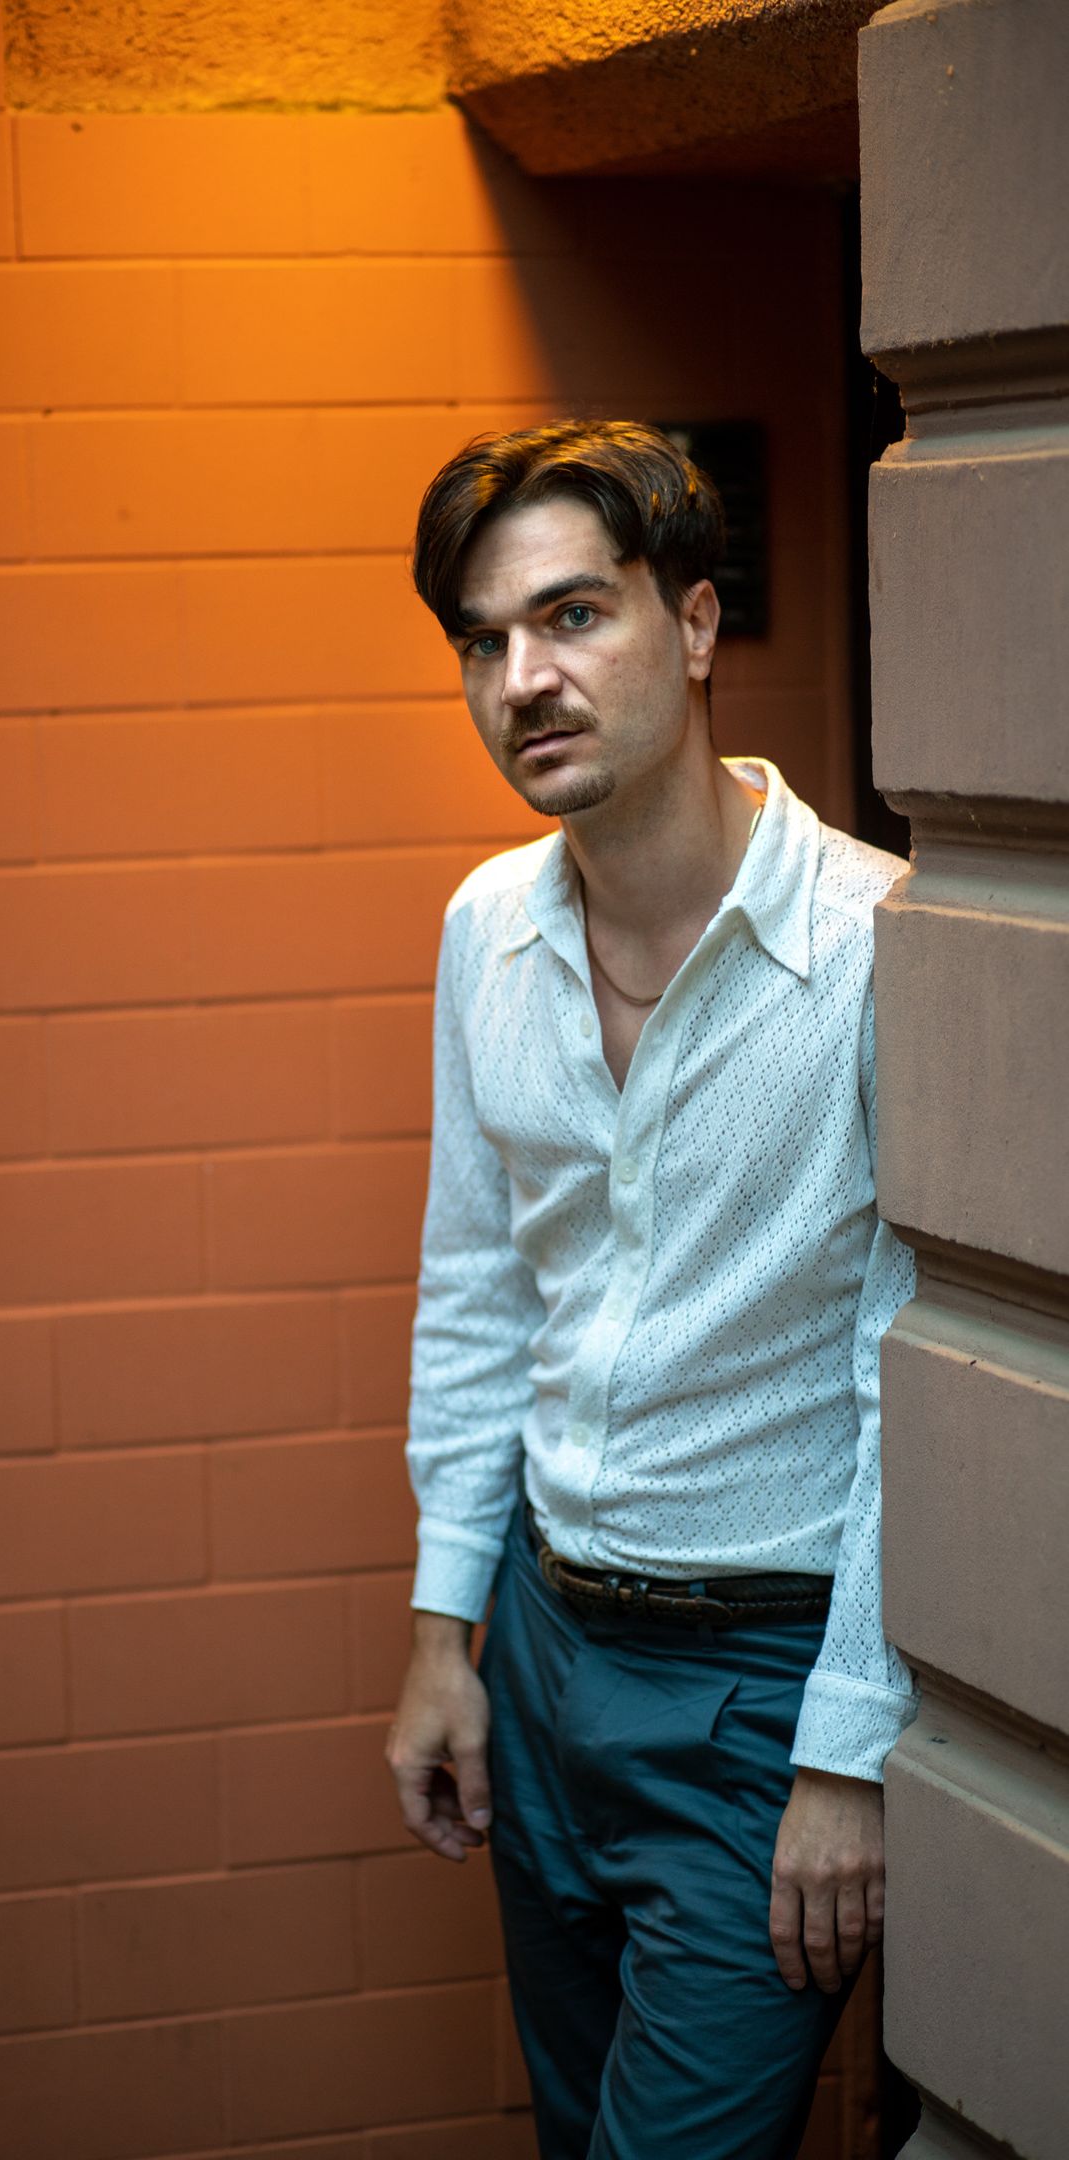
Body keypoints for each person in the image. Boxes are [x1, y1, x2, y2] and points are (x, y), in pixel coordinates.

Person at [385, 418, 917, 2160]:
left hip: (763, 1685)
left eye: (572, 615)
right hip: (541, 1653)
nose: (524, 680)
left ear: (693, 624)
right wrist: (444, 1636)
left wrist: (845, 1749)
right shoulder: (487, 928)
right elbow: (478, 1291)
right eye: (484, 642)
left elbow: (904, 1372)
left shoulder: (877, 949)